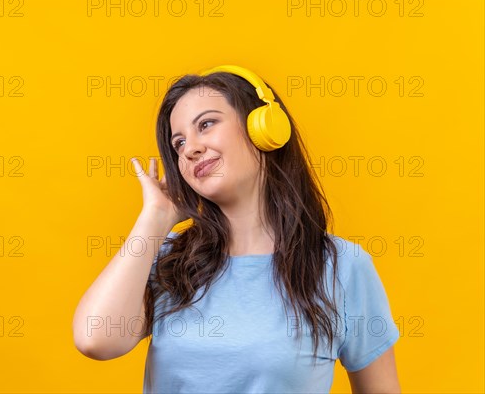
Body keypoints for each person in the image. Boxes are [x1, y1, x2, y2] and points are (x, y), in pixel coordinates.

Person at [72, 65, 401, 393]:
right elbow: (95, 339)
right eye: (179, 143)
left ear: (263, 127)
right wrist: (154, 218)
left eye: (207, 124)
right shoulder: (170, 261)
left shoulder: (341, 266)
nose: (190, 148)